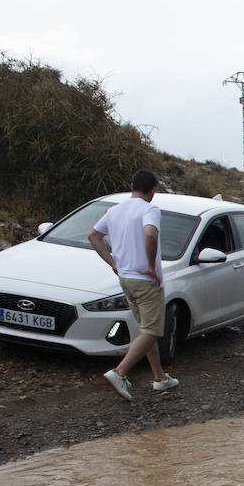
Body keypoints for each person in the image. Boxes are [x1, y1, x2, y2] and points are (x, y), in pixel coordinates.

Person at [88, 169, 178, 400]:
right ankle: (120, 372)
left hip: (125, 277)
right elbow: (150, 234)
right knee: (152, 330)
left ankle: (159, 378)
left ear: (131, 185)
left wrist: (112, 262)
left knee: (145, 330)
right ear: (152, 191)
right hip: (145, 279)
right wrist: (150, 266)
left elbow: (94, 236)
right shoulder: (150, 209)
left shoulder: (115, 210)